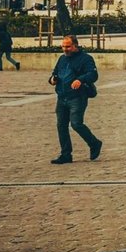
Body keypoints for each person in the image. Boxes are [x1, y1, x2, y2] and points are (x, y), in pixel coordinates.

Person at [49, 34, 102, 163]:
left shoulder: (86, 59)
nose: (65, 49)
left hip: (77, 97)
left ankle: (94, 143)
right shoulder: (62, 59)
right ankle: (66, 154)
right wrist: (52, 80)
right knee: (61, 125)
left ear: (75, 45)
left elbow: (93, 74)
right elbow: (54, 74)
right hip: (62, 97)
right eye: (63, 46)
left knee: (76, 124)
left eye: (68, 46)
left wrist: (80, 79)